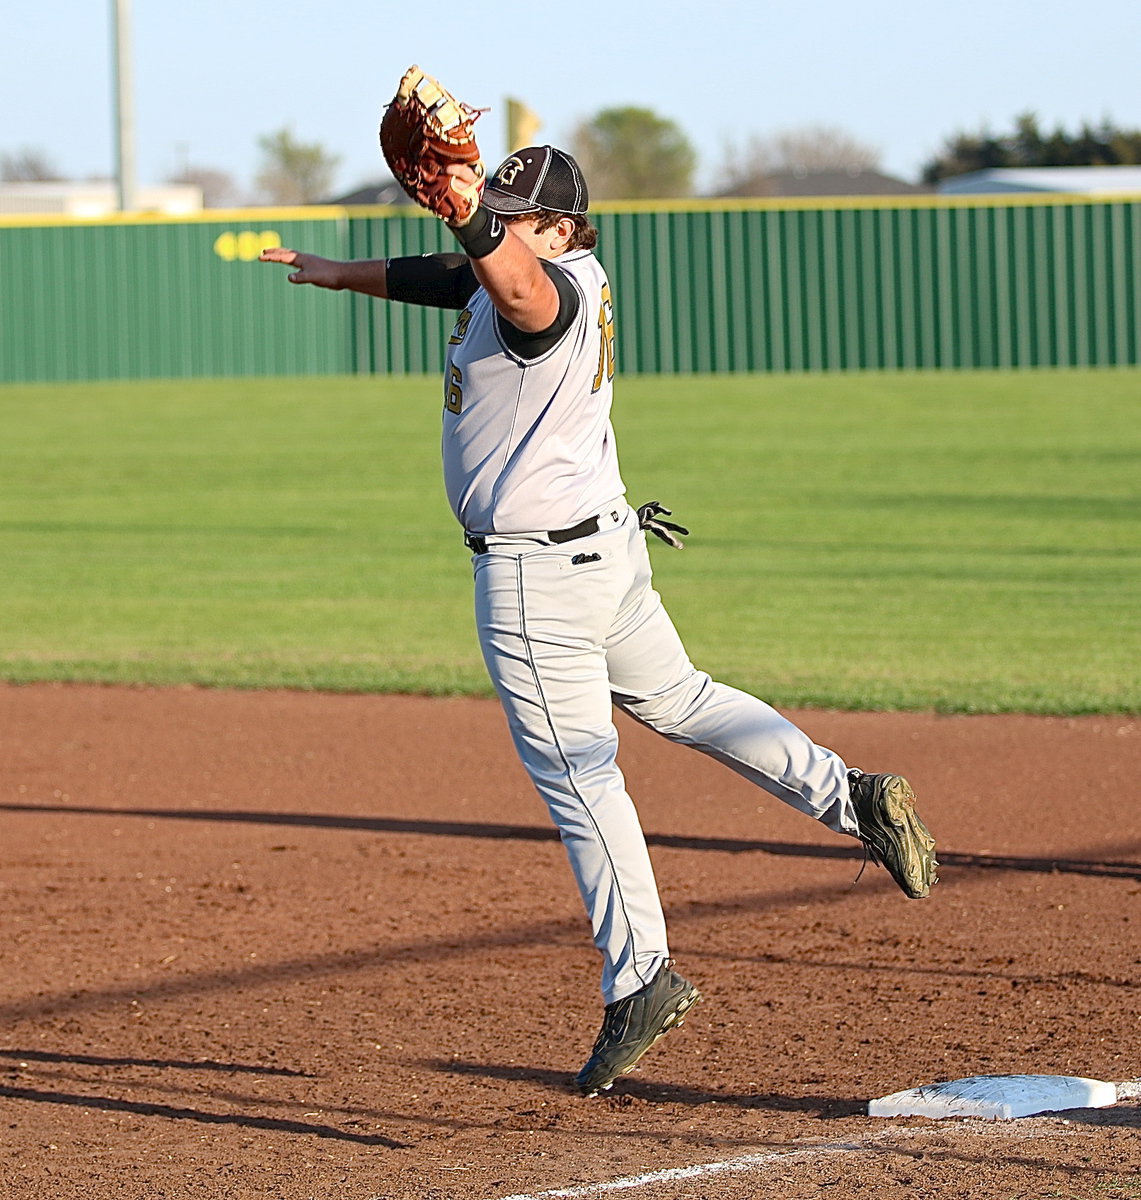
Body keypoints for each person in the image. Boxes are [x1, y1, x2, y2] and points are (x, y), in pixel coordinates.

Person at [260, 145, 938, 1097]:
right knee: (684, 699)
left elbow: (509, 285)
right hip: (606, 553)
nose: (494, 228)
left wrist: (466, 218)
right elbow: (459, 274)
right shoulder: (560, 270)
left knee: (577, 776)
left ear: (564, 227)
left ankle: (641, 976)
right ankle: (853, 797)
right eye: (490, 210)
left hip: (538, 579)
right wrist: (341, 274)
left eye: (512, 217)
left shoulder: (544, 298)